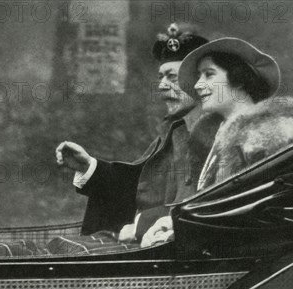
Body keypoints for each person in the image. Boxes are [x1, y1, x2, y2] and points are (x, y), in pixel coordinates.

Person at [141, 37, 293, 247]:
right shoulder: (215, 133)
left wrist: (182, 231)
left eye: (209, 74)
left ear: (239, 78)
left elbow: (259, 217)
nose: (197, 85)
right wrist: (171, 222)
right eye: (198, 76)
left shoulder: (268, 135)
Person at [55, 23, 216, 242]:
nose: (161, 85)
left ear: (197, 81)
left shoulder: (207, 132)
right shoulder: (175, 128)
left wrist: (139, 226)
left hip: (162, 250)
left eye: (172, 77)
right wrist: (88, 166)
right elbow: (136, 185)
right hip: (141, 242)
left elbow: (199, 205)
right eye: (160, 77)